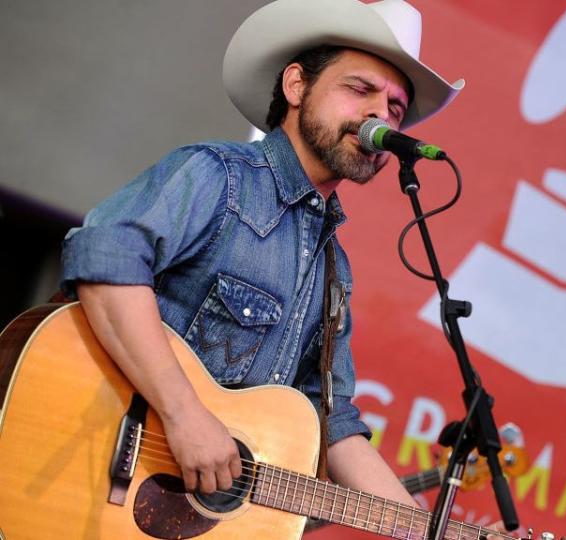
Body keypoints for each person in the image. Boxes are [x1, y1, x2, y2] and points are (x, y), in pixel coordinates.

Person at [59, 0, 463, 511]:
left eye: (396, 108)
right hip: (87, 462)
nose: (380, 115)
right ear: (296, 86)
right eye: (360, 89)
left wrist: (419, 528)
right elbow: (105, 260)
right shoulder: (218, 175)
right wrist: (183, 415)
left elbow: (332, 423)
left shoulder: (332, 268)